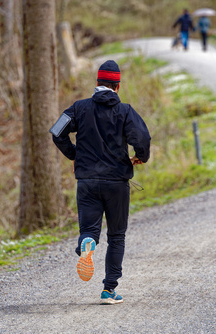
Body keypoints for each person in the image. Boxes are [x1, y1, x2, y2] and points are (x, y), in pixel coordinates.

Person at [52, 60, 151, 304]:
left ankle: (87, 243)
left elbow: (56, 131)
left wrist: (75, 155)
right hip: (116, 182)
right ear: (117, 86)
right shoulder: (126, 111)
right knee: (116, 236)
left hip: (87, 180)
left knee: (89, 229)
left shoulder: (79, 108)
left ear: (97, 83)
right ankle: (109, 290)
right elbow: (143, 137)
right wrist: (140, 157)